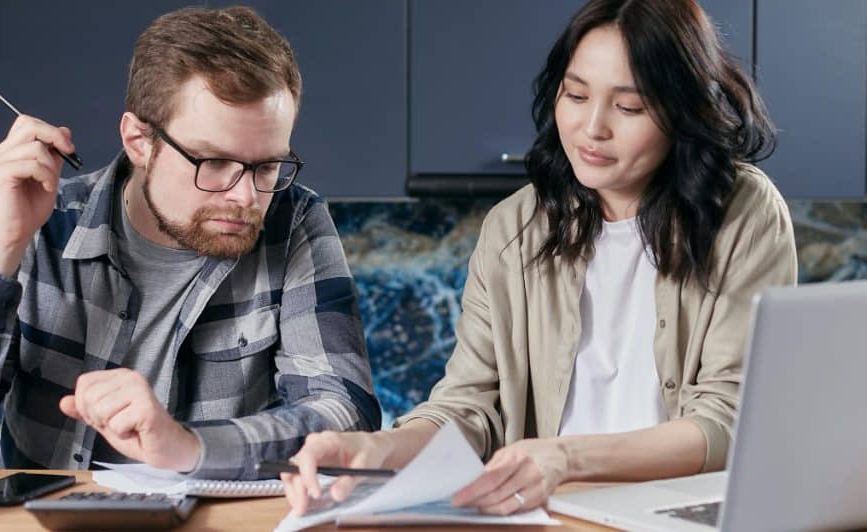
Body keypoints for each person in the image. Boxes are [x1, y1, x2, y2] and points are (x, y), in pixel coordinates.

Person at [283, 0, 796, 515]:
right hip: (558, 516)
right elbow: (470, 406)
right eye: (575, 95)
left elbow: (732, 419)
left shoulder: (744, 214)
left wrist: (564, 457)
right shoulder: (513, 230)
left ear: (680, 111)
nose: (592, 127)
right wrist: (374, 450)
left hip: (679, 517)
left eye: (629, 107)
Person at [0, 6, 380, 480]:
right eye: (212, 162)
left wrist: (187, 447)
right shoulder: (24, 223)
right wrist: (3, 243)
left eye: (268, 166)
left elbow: (344, 414)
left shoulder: (293, 220)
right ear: (139, 141)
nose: (246, 196)